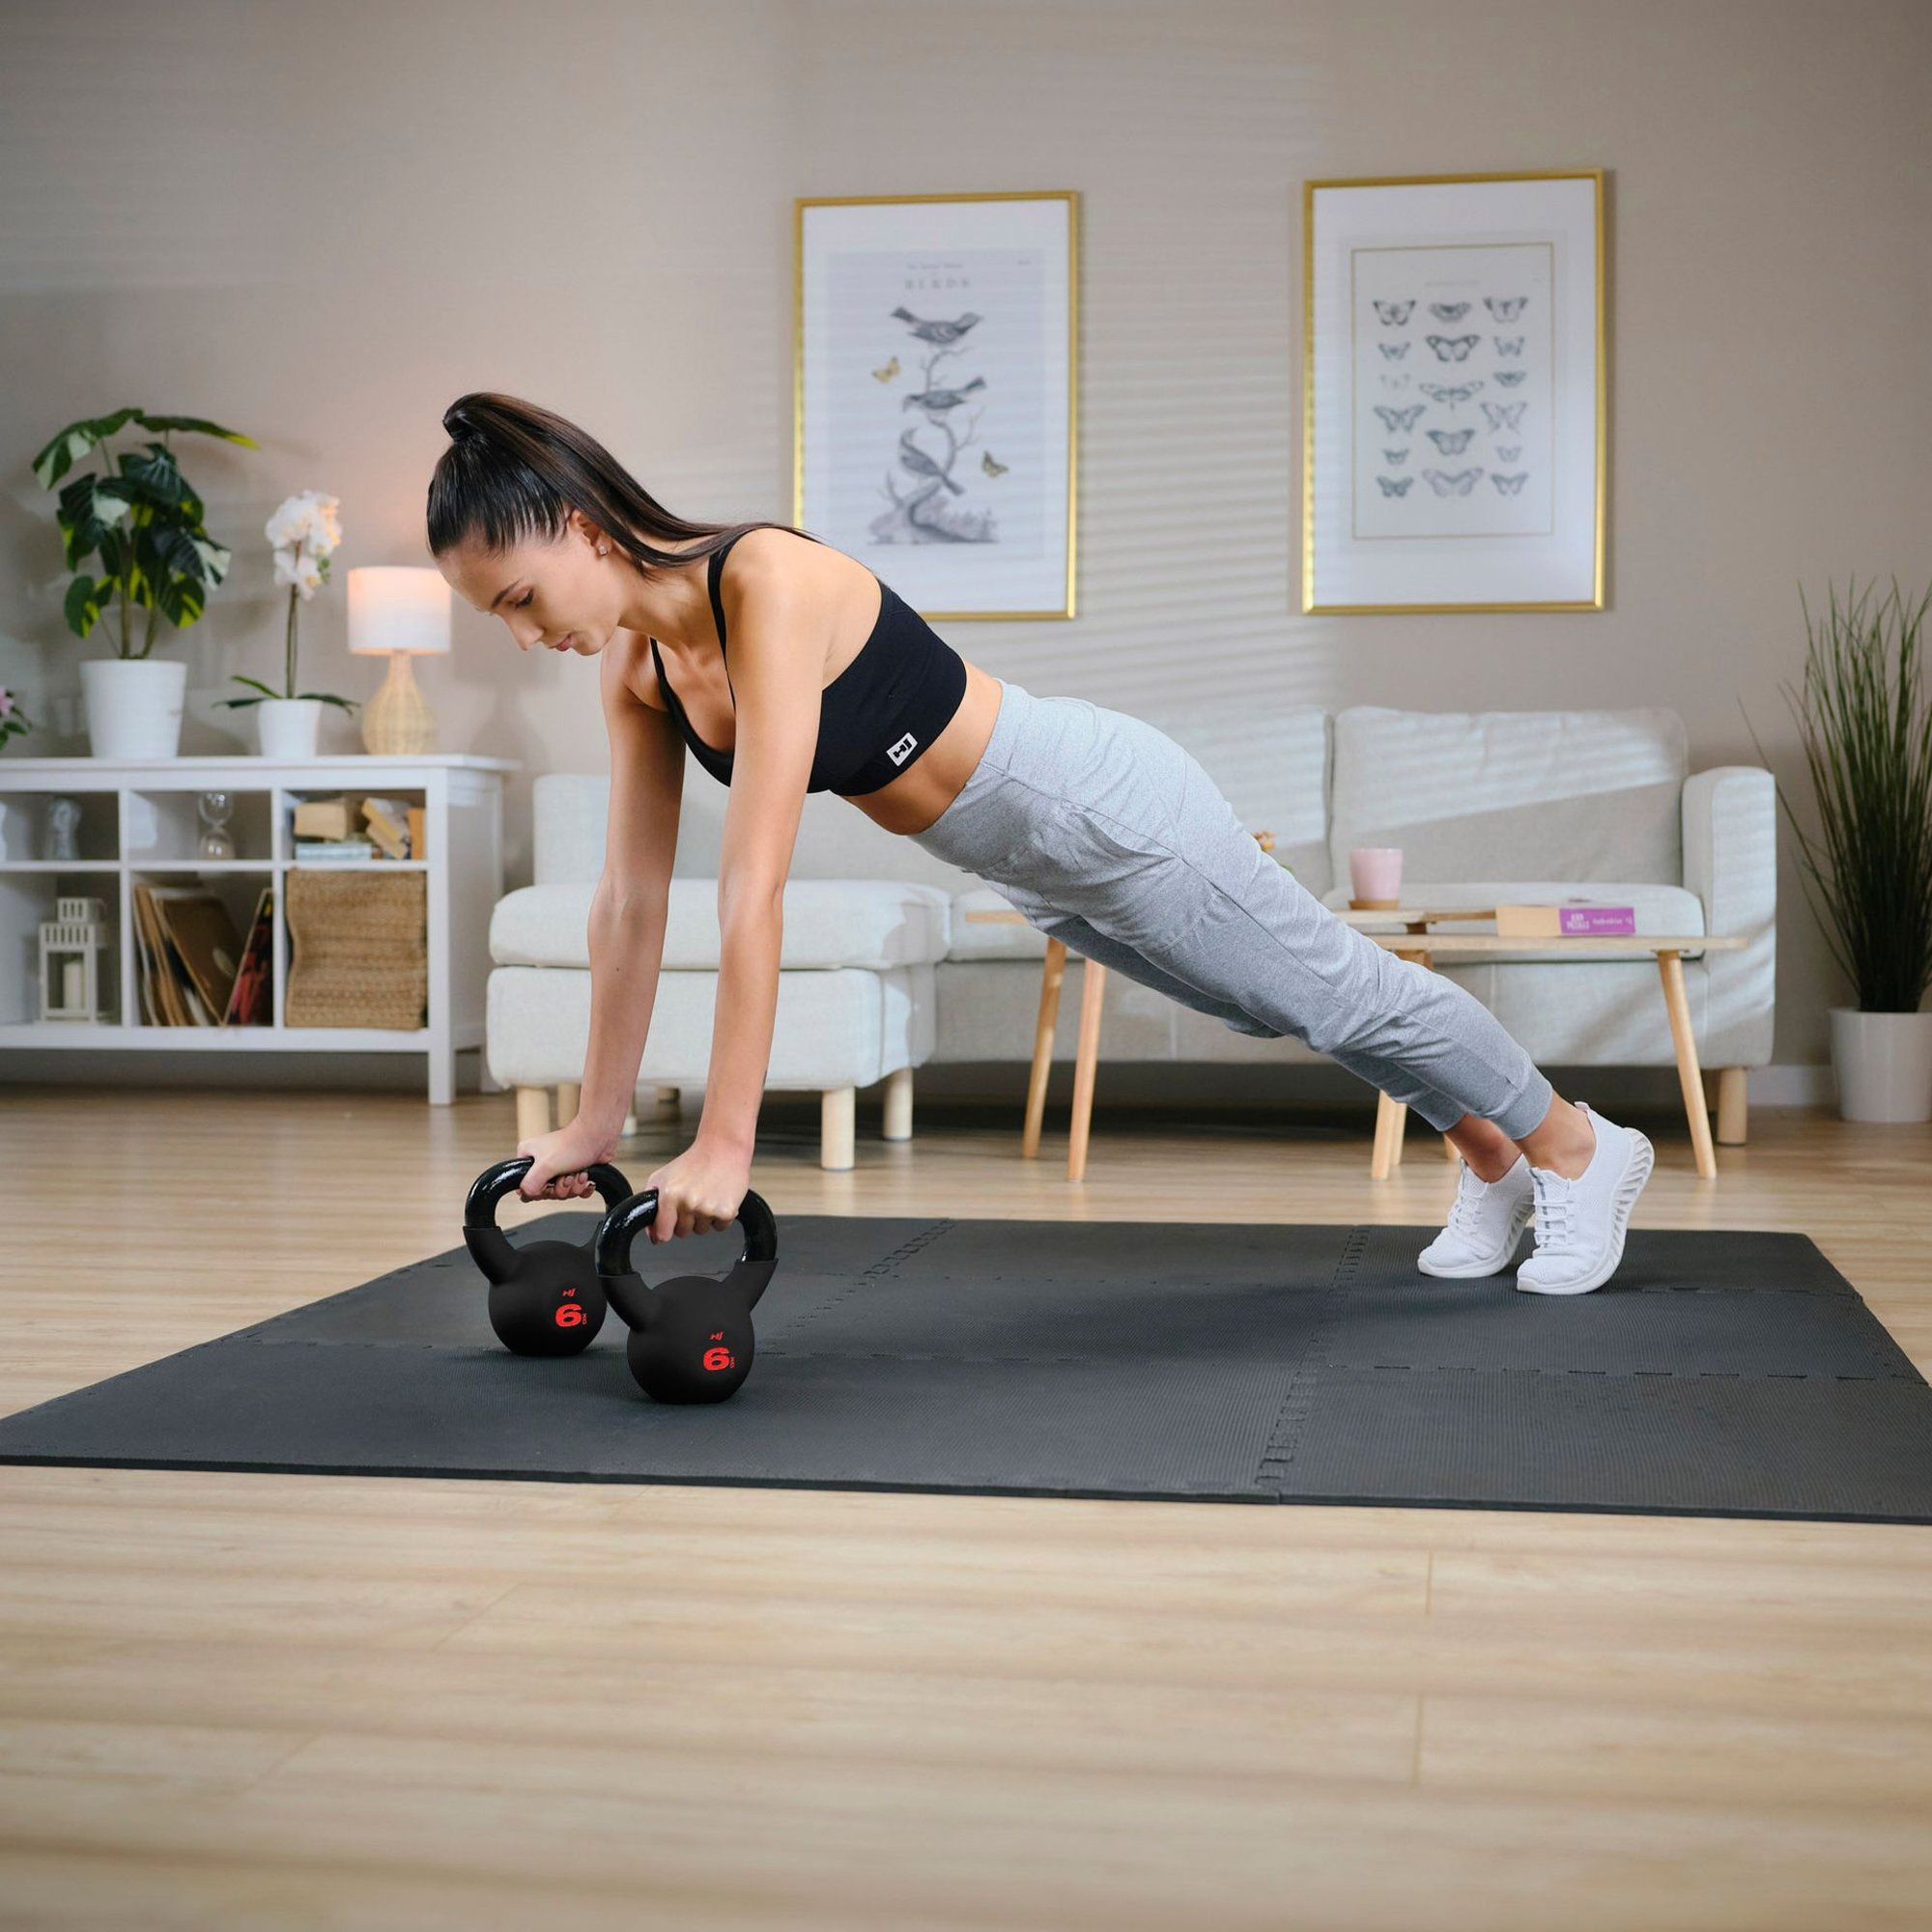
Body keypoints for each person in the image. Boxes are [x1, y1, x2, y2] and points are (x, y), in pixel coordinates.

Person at [427, 391, 1652, 1293]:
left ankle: (1578, 1146)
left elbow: (752, 891)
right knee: (1283, 1008)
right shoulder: (638, 667)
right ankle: (1487, 1151)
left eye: (520, 598)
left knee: (1335, 987)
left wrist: (727, 1140)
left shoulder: (767, 585)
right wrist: (595, 1122)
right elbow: (630, 905)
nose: (526, 636)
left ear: (581, 525)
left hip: (1095, 806)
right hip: (1025, 858)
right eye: (499, 621)